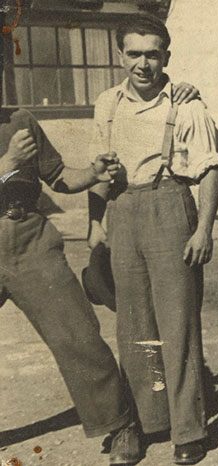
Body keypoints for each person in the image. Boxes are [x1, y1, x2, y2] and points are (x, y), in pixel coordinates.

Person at [87, 15, 218, 465]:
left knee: (177, 324)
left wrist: (203, 228)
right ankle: (142, 425)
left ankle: (188, 428)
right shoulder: (107, 102)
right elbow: (98, 170)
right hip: (122, 209)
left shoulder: (186, 104)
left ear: (166, 56)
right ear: (119, 55)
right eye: (134, 54)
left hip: (171, 206)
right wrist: (95, 224)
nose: (144, 63)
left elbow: (209, 170)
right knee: (135, 327)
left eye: (153, 53)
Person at [0, 81, 131, 465]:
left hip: (29, 238)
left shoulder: (21, 120)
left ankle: (120, 423)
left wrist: (93, 172)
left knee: (77, 334)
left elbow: (58, 176)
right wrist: (6, 164)